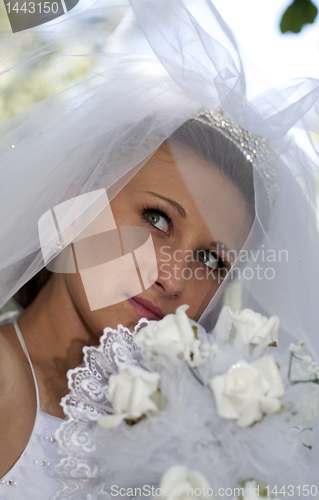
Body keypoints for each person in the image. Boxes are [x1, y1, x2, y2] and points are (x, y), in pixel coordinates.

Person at [0, 0, 318, 498]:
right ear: (73, 198)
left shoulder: (215, 438)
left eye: (211, 260)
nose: (174, 278)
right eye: (157, 219)